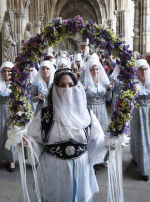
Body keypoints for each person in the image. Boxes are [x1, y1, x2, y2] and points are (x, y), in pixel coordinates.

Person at [23, 68, 106, 202]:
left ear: (76, 87)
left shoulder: (87, 114)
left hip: (80, 167)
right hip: (52, 169)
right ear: (55, 88)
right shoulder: (45, 115)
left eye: (70, 85)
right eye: (62, 85)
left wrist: (109, 144)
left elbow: (97, 139)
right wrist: (28, 143)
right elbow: (36, 141)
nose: (67, 89)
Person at [130, 59, 150, 181]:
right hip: (136, 112)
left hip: (148, 112)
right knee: (137, 136)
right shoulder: (131, 83)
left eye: (145, 69)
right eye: (141, 69)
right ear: (136, 71)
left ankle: (145, 167)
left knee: (147, 137)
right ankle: (136, 157)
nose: (143, 71)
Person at [82, 54, 112, 136]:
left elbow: (109, 99)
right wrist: (83, 91)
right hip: (90, 111)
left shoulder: (104, 82)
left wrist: (109, 90)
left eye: (96, 69)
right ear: (89, 70)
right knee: (92, 134)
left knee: (102, 134)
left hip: (102, 110)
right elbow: (80, 101)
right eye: (92, 70)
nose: (95, 71)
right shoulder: (85, 82)